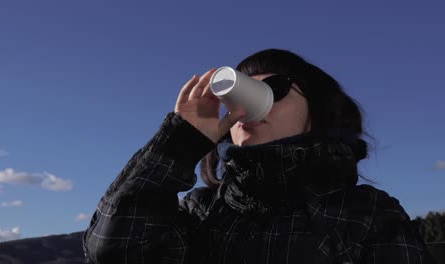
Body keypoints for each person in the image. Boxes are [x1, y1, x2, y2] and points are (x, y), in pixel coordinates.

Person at [82, 49, 434, 263]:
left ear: (318, 112)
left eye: (273, 90)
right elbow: (115, 250)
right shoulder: (200, 213)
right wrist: (180, 142)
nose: (245, 105)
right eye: (236, 98)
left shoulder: (365, 214)